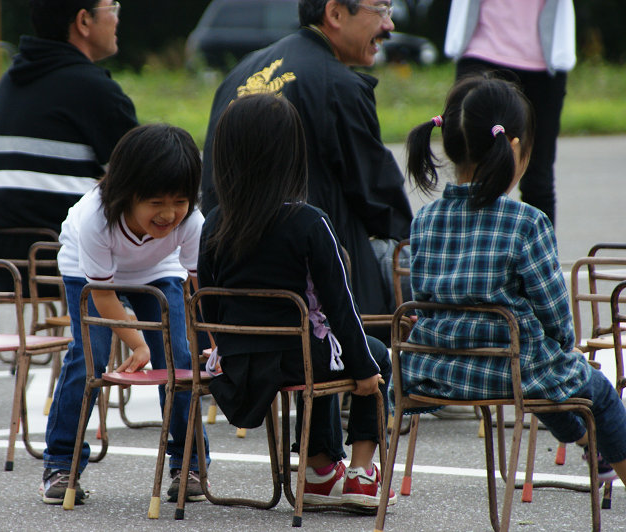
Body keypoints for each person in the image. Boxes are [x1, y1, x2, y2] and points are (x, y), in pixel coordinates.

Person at [403, 75, 626, 485]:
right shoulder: (527, 222)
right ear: (515, 148)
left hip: (437, 369)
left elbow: (423, 298)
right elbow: (555, 317)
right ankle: (597, 446)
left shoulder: (424, 220)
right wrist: (562, 345)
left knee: (550, 373)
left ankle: (588, 443)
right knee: (597, 392)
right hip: (511, 371)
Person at [199, 93, 397, 509]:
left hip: (241, 362)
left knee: (318, 348)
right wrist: (364, 368)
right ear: (292, 155)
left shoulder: (215, 221)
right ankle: (361, 474)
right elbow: (341, 307)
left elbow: (209, 302)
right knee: (370, 354)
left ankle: (320, 471)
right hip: (301, 357)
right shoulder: (310, 221)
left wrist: (223, 347)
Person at [200, 0, 413, 321]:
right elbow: (380, 200)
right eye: (381, 10)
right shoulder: (339, 85)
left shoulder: (241, 72)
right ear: (336, 13)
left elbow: (212, 189)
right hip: (321, 298)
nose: (389, 26)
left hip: (235, 290)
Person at [41, 124, 211, 505]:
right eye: (155, 202)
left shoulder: (191, 221)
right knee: (90, 358)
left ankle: (189, 462)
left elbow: (201, 288)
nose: (168, 213)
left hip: (158, 267)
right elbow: (103, 295)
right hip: (87, 271)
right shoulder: (96, 218)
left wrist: (218, 342)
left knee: (179, 359)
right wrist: (137, 343)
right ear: (126, 192)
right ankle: (60, 463)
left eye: (180, 201)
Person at [0, 0, 137, 293]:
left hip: (5, 265)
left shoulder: (10, 81)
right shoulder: (94, 89)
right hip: (70, 265)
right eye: (112, 8)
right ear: (84, 21)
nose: (116, 19)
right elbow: (149, 179)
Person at [444, 0, 576, 226]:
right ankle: (458, 243)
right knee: (471, 169)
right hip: (481, 49)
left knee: (538, 179)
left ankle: (538, 246)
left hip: (543, 59)